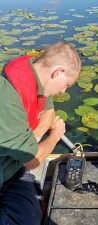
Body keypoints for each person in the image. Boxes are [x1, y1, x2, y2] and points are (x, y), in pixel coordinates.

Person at [0, 41, 81, 225]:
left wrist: (35, 136)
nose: (63, 91)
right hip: (7, 169)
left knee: (33, 216)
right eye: (67, 84)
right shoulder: (6, 101)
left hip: (11, 170)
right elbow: (32, 160)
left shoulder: (37, 78)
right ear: (58, 72)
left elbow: (49, 112)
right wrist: (55, 134)